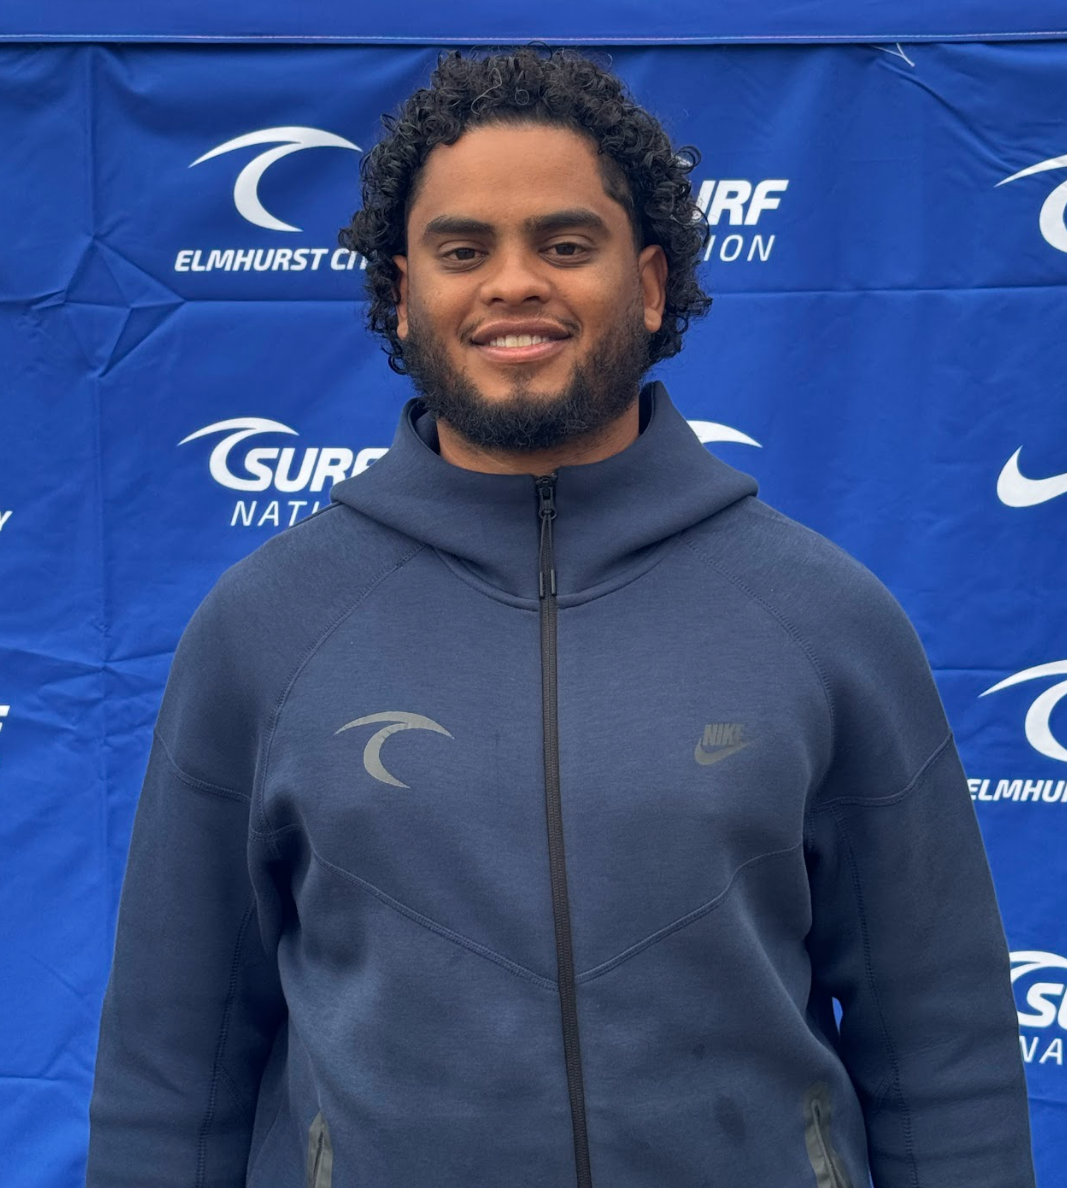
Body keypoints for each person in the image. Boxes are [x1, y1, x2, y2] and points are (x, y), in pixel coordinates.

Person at [86, 46, 1036, 1188]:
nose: (514, 283)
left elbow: (946, 1054)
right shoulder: (265, 628)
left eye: (565, 244)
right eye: (462, 250)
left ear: (646, 282)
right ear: (401, 291)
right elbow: (169, 1068)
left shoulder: (825, 618)